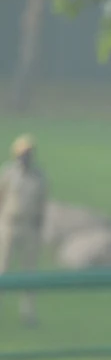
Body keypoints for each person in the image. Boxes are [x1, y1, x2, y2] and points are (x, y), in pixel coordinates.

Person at [0, 134, 47, 327]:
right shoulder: (8, 174)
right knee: (3, 269)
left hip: (29, 226)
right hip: (9, 224)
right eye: (23, 153)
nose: (26, 156)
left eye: (28, 152)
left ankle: (28, 313)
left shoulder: (39, 177)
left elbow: (42, 203)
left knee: (29, 271)